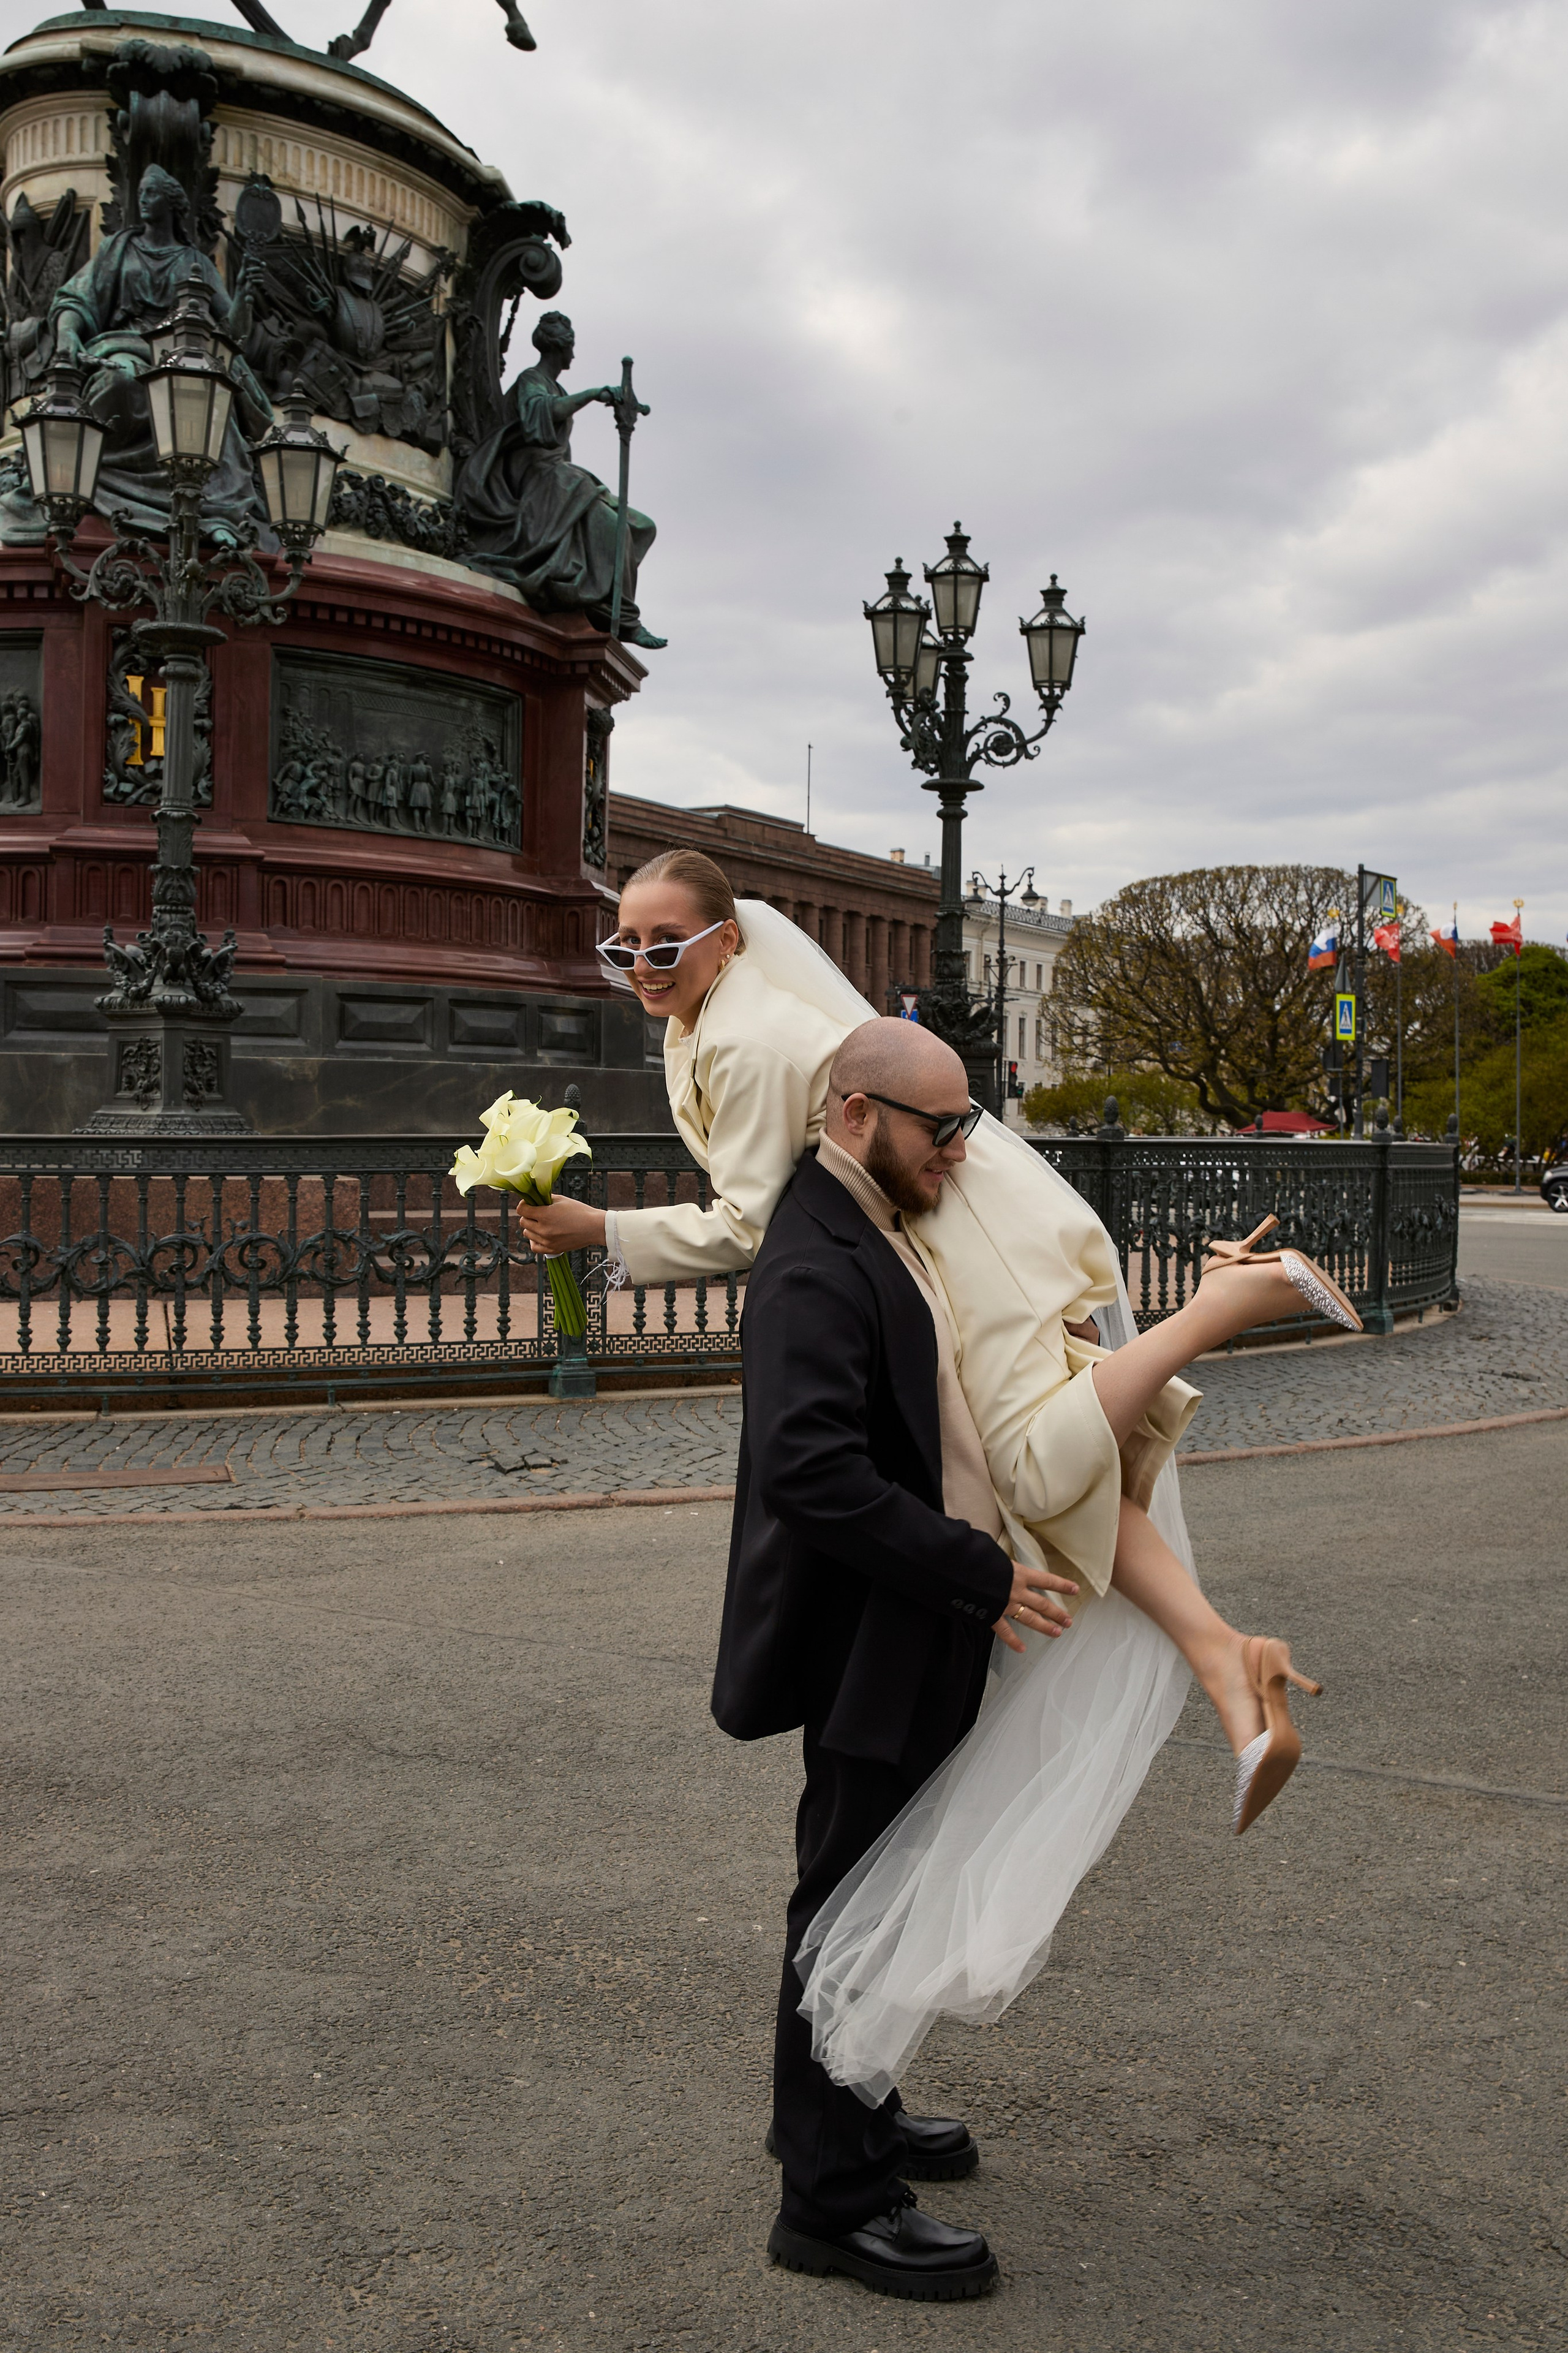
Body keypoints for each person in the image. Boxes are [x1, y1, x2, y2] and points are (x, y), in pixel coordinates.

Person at [518, 851, 1346, 2104]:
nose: (641, 963)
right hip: (922, 1198)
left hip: (948, 1211)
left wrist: (599, 1234)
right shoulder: (701, 1029)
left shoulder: (747, 1049)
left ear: (725, 943)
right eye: (621, 944)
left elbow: (749, 1223)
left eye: (665, 942)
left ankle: (1217, 1307)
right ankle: (1224, 1655)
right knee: (1053, 1482)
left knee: (1030, 1458)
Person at [717, 1018, 1069, 2298]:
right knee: (846, 1900)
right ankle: (828, 2200)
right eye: (943, 1125)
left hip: (907, 1623)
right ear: (856, 1111)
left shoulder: (867, 1219)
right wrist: (978, 1574)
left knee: (881, 1886)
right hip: (871, 1635)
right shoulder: (813, 1257)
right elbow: (811, 1473)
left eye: (970, 1122)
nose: (962, 1149)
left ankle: (853, 2107)